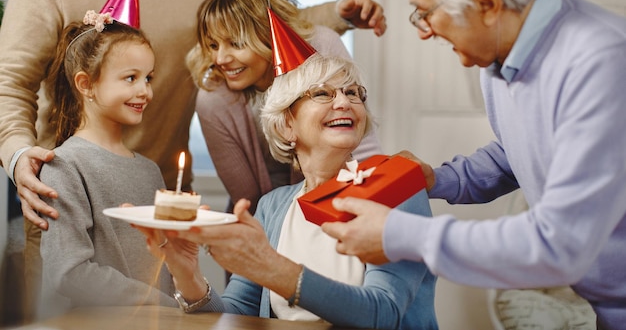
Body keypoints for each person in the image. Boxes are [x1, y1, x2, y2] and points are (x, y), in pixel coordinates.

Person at [0, 0, 385, 320]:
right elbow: (10, 79)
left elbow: (253, 16)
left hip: (156, 191)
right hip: (66, 196)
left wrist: (337, 13)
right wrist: (18, 154)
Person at [321, 0, 626, 329]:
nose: (425, 31)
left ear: (486, 4)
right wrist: (435, 178)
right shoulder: (500, 55)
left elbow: (559, 246)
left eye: (425, 13)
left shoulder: (602, 62)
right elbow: (517, 151)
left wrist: (399, 234)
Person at [138, 52, 438, 329]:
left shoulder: (398, 191)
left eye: (353, 93)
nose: (344, 103)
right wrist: (188, 276)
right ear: (286, 125)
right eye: (322, 93)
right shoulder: (273, 206)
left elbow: (383, 314)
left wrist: (274, 269)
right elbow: (236, 314)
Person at [187, 0, 382, 213]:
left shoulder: (321, 48)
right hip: (266, 215)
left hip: (342, 199)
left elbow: (363, 149)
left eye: (237, 44)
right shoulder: (213, 98)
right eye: (213, 45)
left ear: (268, 35)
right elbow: (249, 199)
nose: (220, 58)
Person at [38, 10, 177, 319]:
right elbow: (70, 272)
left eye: (148, 78)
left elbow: (166, 264)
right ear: (86, 84)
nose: (145, 91)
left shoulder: (150, 171)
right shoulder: (64, 167)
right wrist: (164, 305)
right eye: (131, 77)